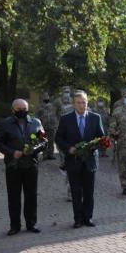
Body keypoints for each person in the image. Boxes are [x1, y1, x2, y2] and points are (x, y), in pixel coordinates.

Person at [0, 99, 47, 235]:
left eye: (24, 108)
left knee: (31, 196)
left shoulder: (36, 122)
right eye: (18, 109)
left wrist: (34, 150)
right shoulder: (5, 123)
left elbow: (44, 141)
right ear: (13, 110)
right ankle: (15, 226)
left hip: (31, 164)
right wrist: (12, 152)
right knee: (14, 197)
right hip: (13, 165)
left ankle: (31, 224)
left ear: (28, 108)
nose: (21, 111)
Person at [55, 91, 105, 228]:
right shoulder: (66, 119)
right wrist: (68, 148)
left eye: (84, 102)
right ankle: (78, 218)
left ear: (87, 103)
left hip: (90, 161)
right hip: (73, 161)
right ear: (73, 104)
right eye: (79, 102)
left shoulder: (96, 118)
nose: (82, 105)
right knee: (76, 192)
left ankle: (88, 217)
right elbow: (58, 138)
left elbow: (101, 138)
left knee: (89, 192)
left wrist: (93, 146)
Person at [36, 93, 59, 159]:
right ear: (42, 98)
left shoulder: (52, 106)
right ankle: (45, 155)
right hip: (43, 127)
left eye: (47, 96)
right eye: (44, 96)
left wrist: (56, 124)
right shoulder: (39, 106)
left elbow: (56, 115)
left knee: (51, 142)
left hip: (52, 126)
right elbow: (37, 116)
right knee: (43, 141)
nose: (46, 97)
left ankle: (51, 154)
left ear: (49, 97)